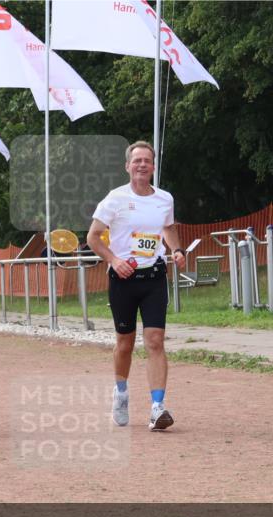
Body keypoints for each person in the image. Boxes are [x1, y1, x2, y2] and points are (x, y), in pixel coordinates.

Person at [86, 140, 186, 431]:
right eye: (137, 160)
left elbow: (167, 227)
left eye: (147, 160)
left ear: (153, 167)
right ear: (128, 166)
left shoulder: (164, 199)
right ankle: (120, 392)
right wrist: (114, 260)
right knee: (125, 343)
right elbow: (93, 237)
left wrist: (177, 250)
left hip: (153, 276)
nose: (142, 164)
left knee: (155, 341)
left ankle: (157, 407)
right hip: (123, 280)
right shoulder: (114, 199)